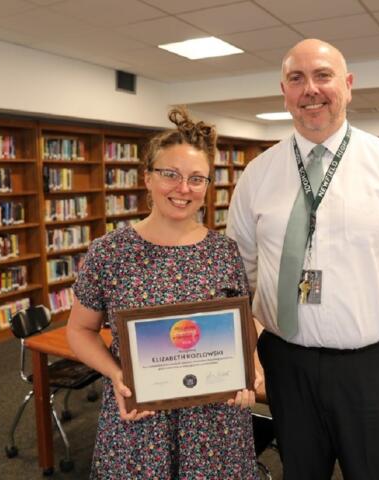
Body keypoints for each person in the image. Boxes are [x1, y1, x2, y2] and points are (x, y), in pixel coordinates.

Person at [227, 39, 379, 480]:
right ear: (284, 92)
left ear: (347, 85)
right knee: (301, 471)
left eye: (323, 75)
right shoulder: (258, 174)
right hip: (286, 363)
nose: (311, 89)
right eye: (297, 78)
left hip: (370, 367)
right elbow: (243, 265)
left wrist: (372, 308)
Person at [68, 107, 260, 479]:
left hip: (214, 421)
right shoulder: (109, 252)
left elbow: (242, 321)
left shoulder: (224, 251)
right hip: (141, 418)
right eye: (170, 174)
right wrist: (117, 375)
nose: (182, 188)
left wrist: (252, 367)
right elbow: (80, 331)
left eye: (196, 178)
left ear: (207, 186)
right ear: (147, 178)